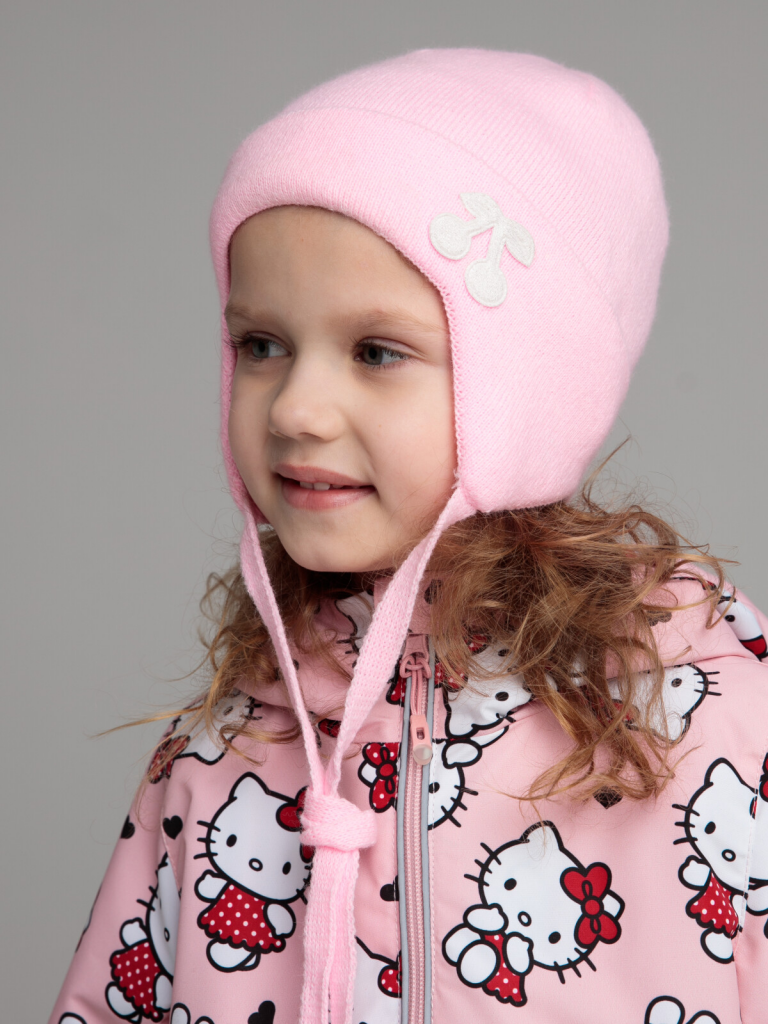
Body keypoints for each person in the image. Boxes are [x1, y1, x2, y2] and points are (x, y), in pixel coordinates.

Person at [50, 49, 768, 1024]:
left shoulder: (707, 728)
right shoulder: (221, 750)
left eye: (376, 351)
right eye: (262, 345)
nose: (295, 408)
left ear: (533, 388)